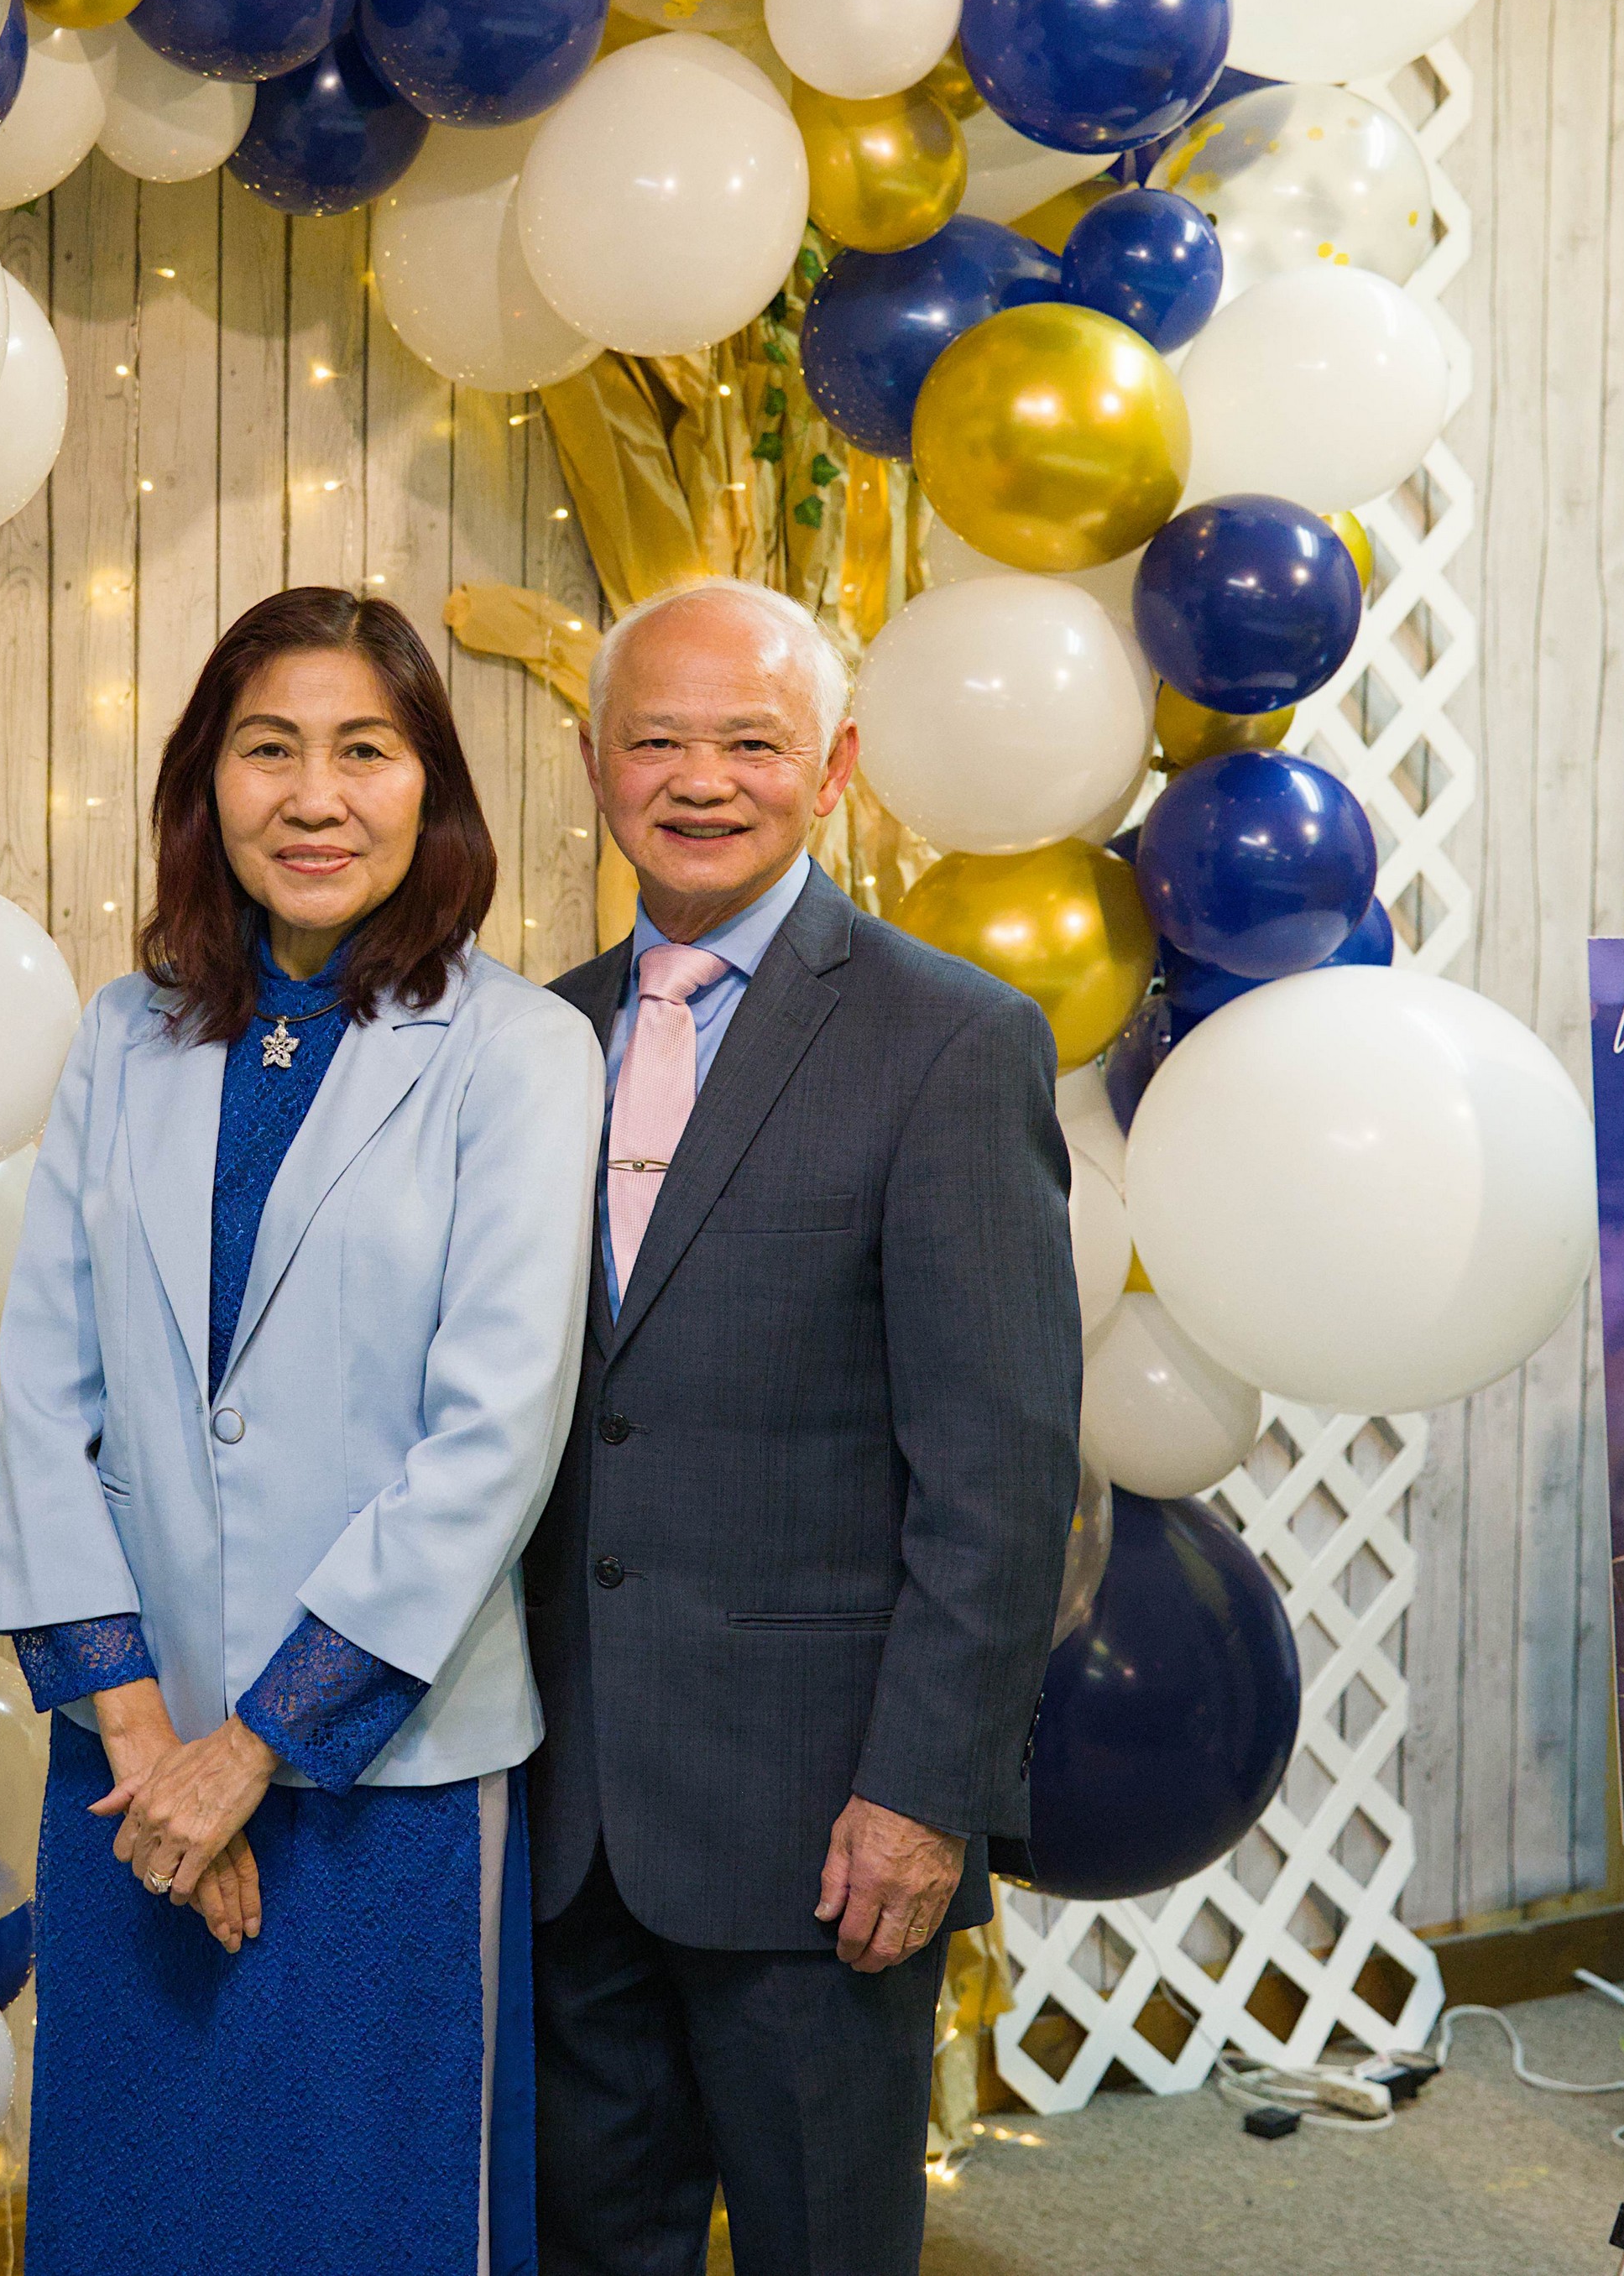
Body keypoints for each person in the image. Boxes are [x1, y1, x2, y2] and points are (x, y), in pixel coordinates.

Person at [0, 587, 604, 2276]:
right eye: (269, 749)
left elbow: (491, 1436)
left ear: (431, 787)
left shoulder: (520, 1050)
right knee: (136, 2200)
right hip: (128, 1757)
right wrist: (144, 1741)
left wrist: (250, 1748)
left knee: (361, 2210)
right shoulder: (123, 1033)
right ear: (208, 783)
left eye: (364, 750)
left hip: (374, 1764)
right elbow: (44, 1391)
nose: (315, 797)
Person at [526, 577, 1080, 2276]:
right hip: (562, 1804)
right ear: (595, 763)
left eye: (752, 742)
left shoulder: (951, 1038)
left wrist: (921, 1791)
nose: (701, 778)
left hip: (823, 1816)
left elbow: (1000, 1474)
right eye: (656, 739)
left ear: (831, 768)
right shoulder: (533, 1038)